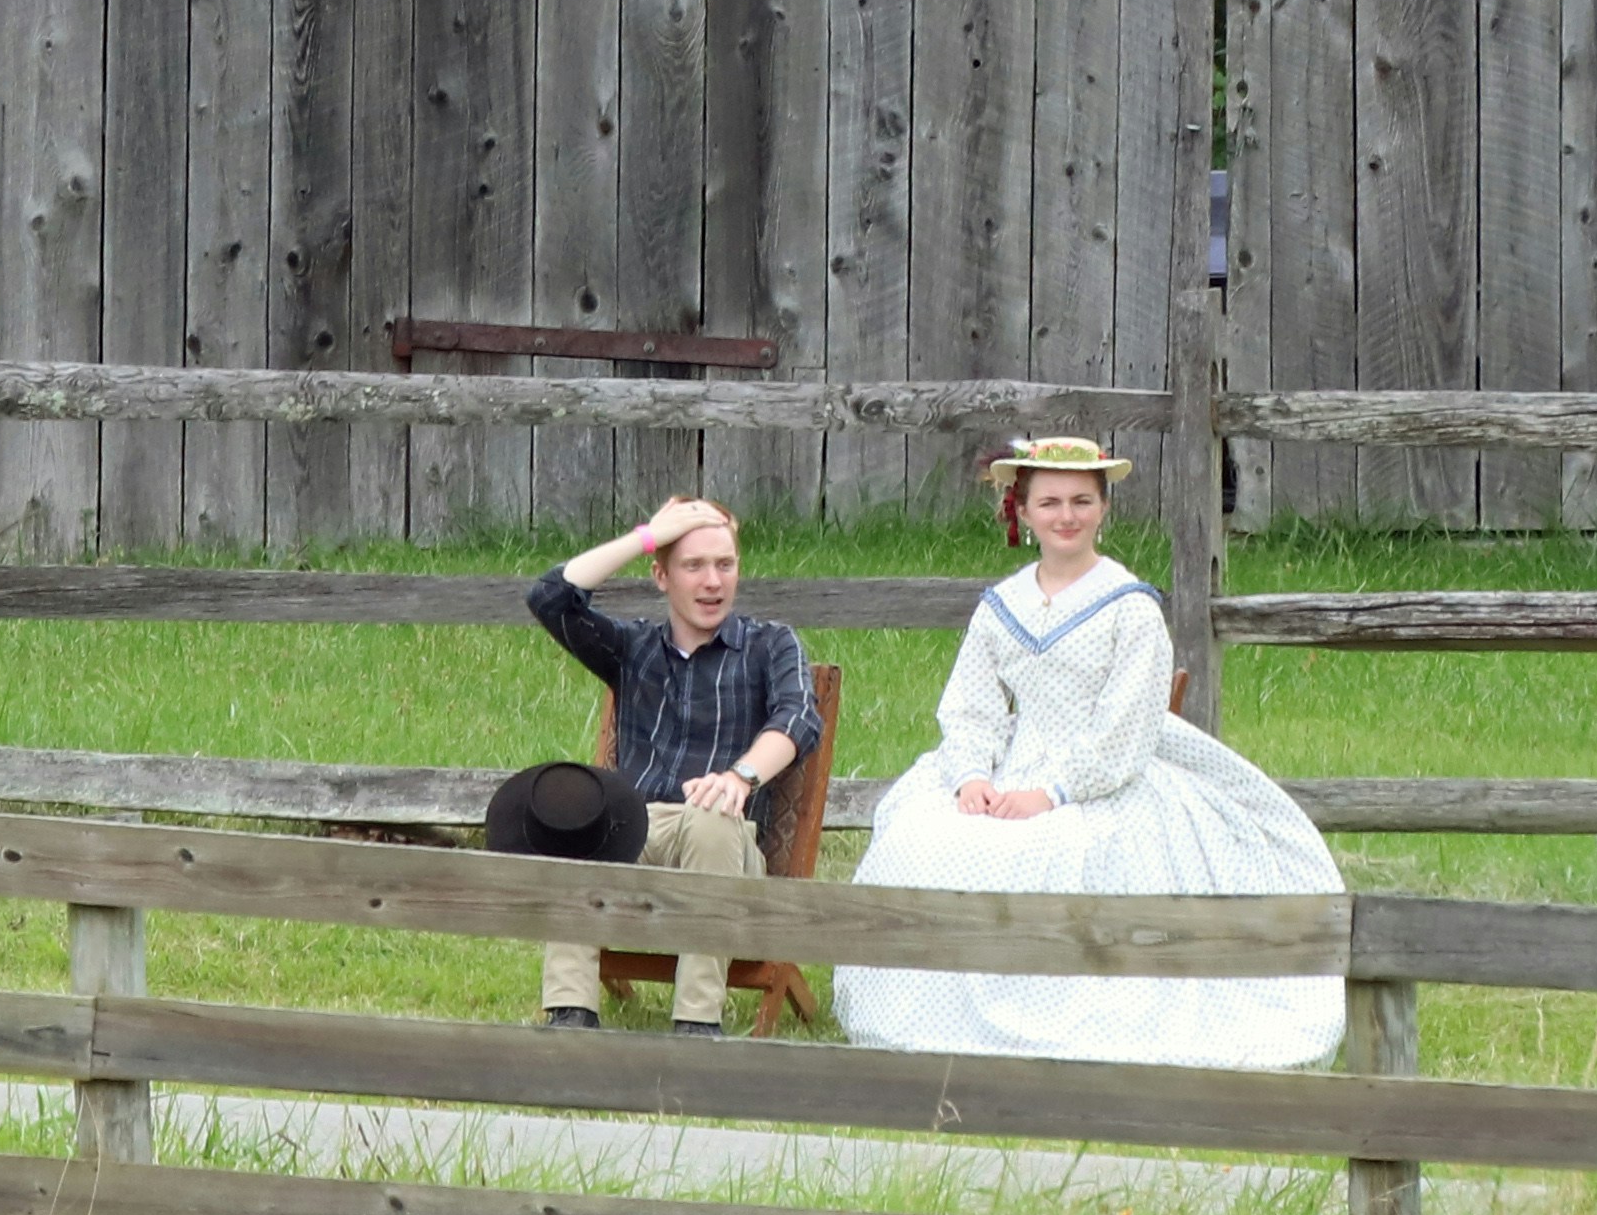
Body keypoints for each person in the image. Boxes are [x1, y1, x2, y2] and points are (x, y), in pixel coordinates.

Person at [838, 439, 1346, 1073]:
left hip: (1104, 780)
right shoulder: (1002, 606)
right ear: (1021, 511)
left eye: (1082, 501)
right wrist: (971, 776)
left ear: (1104, 508)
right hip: (1008, 767)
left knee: (1056, 852)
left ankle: (1061, 1018)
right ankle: (932, 1022)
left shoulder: (1129, 607)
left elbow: (1127, 729)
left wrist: (1049, 794)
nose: (1066, 515)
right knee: (926, 839)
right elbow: (971, 707)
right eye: (1049, 502)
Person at [520, 491, 828, 1031]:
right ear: (661, 575)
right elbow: (550, 597)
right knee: (580, 820)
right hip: (636, 836)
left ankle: (696, 1026)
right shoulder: (631, 647)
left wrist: (740, 776)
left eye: (724, 565)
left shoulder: (770, 645)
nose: (713, 581)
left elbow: (799, 718)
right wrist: (644, 537)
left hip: (724, 843)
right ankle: (569, 1019)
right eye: (694, 566)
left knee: (712, 813)